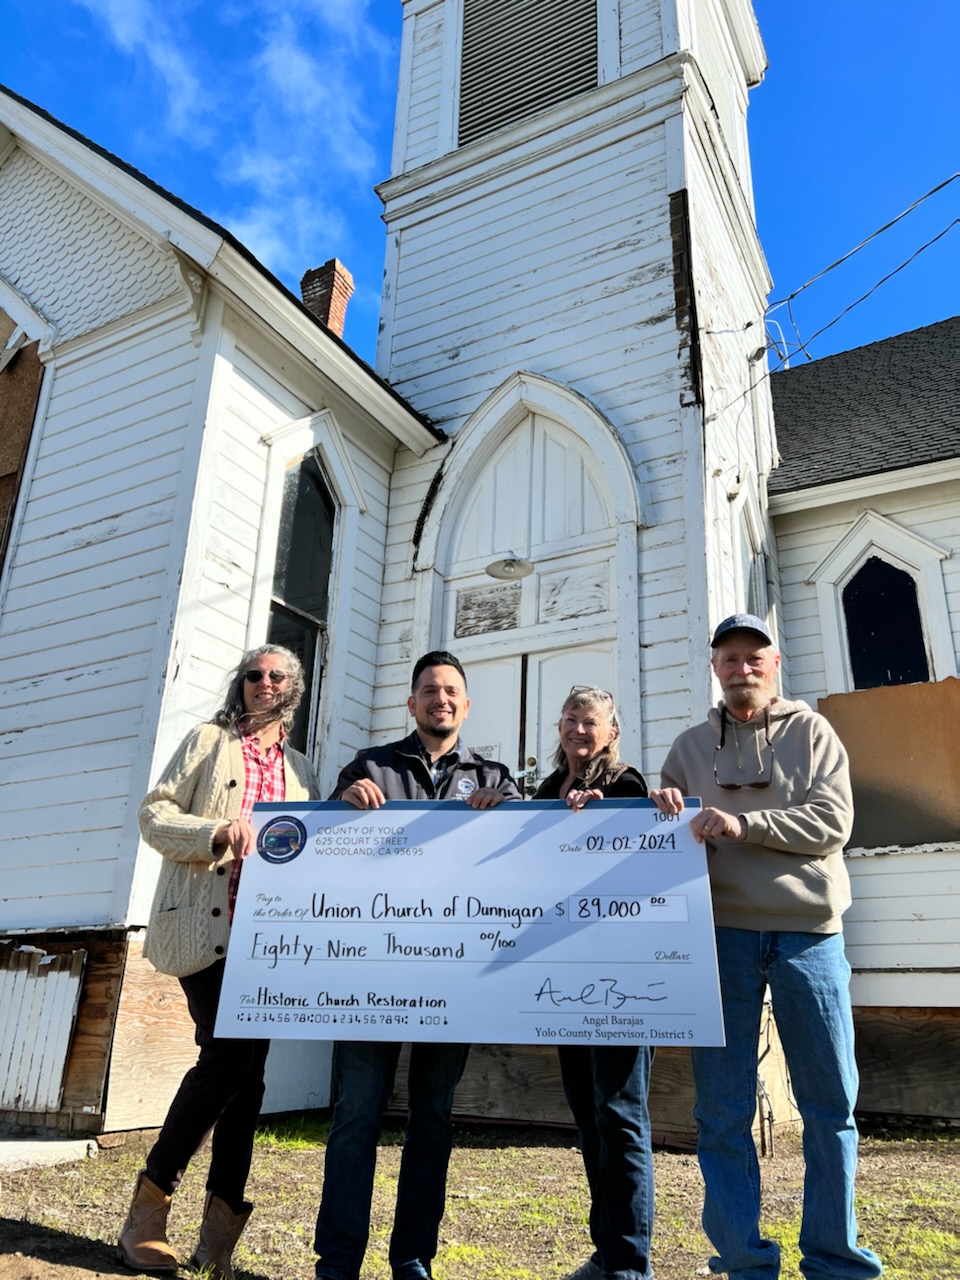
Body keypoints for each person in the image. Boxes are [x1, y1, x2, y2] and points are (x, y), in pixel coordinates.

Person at [650, 614, 882, 1280]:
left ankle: (835, 1258)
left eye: (755, 657)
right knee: (720, 1109)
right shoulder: (691, 747)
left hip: (809, 935)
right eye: (729, 658)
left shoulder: (812, 732)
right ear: (715, 668)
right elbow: (667, 830)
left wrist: (744, 823)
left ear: (773, 665)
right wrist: (660, 807)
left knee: (828, 1104)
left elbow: (833, 821)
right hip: (720, 938)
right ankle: (743, 1258)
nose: (742, 668)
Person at [313, 650, 521, 1280]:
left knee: (432, 1116)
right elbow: (313, 847)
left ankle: (412, 1257)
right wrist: (340, 805)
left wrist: (505, 816)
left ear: (465, 702)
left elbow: (528, 862)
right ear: (411, 703)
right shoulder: (370, 766)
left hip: (453, 979)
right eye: (429, 690)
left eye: (452, 690)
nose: (442, 699)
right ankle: (338, 1261)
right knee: (356, 1113)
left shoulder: (493, 776)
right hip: (371, 973)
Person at [119, 644, 322, 1279]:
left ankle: (219, 1238)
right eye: (253, 675)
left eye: (276, 676)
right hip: (208, 934)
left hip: (267, 944)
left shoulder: (301, 771)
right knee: (228, 1057)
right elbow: (155, 815)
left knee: (249, 1079)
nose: (263, 683)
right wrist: (213, 833)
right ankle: (148, 1207)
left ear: (293, 689)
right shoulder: (208, 741)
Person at [534, 686, 654, 1280]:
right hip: (561, 974)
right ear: (560, 728)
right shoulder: (542, 794)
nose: (580, 730)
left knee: (621, 1115)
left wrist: (604, 808)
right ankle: (607, 1251)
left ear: (612, 732)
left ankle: (630, 1264)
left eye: (592, 722)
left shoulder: (628, 784)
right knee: (588, 1116)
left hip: (621, 974)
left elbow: (640, 838)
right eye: (571, 720)